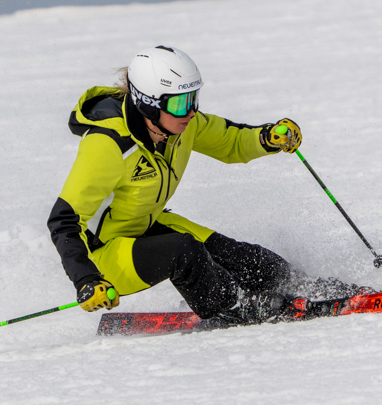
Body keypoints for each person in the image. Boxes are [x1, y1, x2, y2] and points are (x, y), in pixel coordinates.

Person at [47, 45, 334, 326]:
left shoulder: (181, 124)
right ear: (147, 102)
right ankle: (231, 308)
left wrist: (267, 138)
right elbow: (64, 220)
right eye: (179, 103)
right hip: (104, 255)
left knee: (240, 256)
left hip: (145, 227)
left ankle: (314, 289)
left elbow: (230, 140)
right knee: (184, 251)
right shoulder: (107, 145)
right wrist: (86, 279)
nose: (190, 111)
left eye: (193, 98)